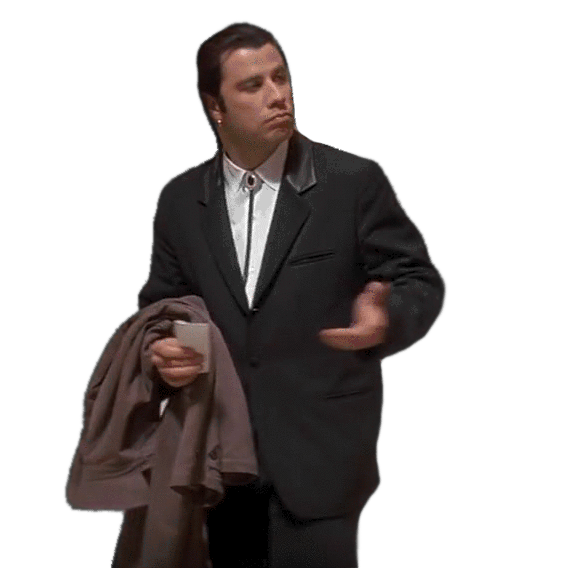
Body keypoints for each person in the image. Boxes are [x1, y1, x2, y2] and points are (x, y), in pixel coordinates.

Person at [136, 20, 447, 568]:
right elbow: (162, 304)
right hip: (217, 461)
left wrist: (387, 318)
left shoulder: (353, 180)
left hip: (321, 457)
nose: (277, 95)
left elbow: (420, 280)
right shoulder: (179, 199)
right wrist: (161, 349)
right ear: (215, 107)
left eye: (280, 77)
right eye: (252, 85)